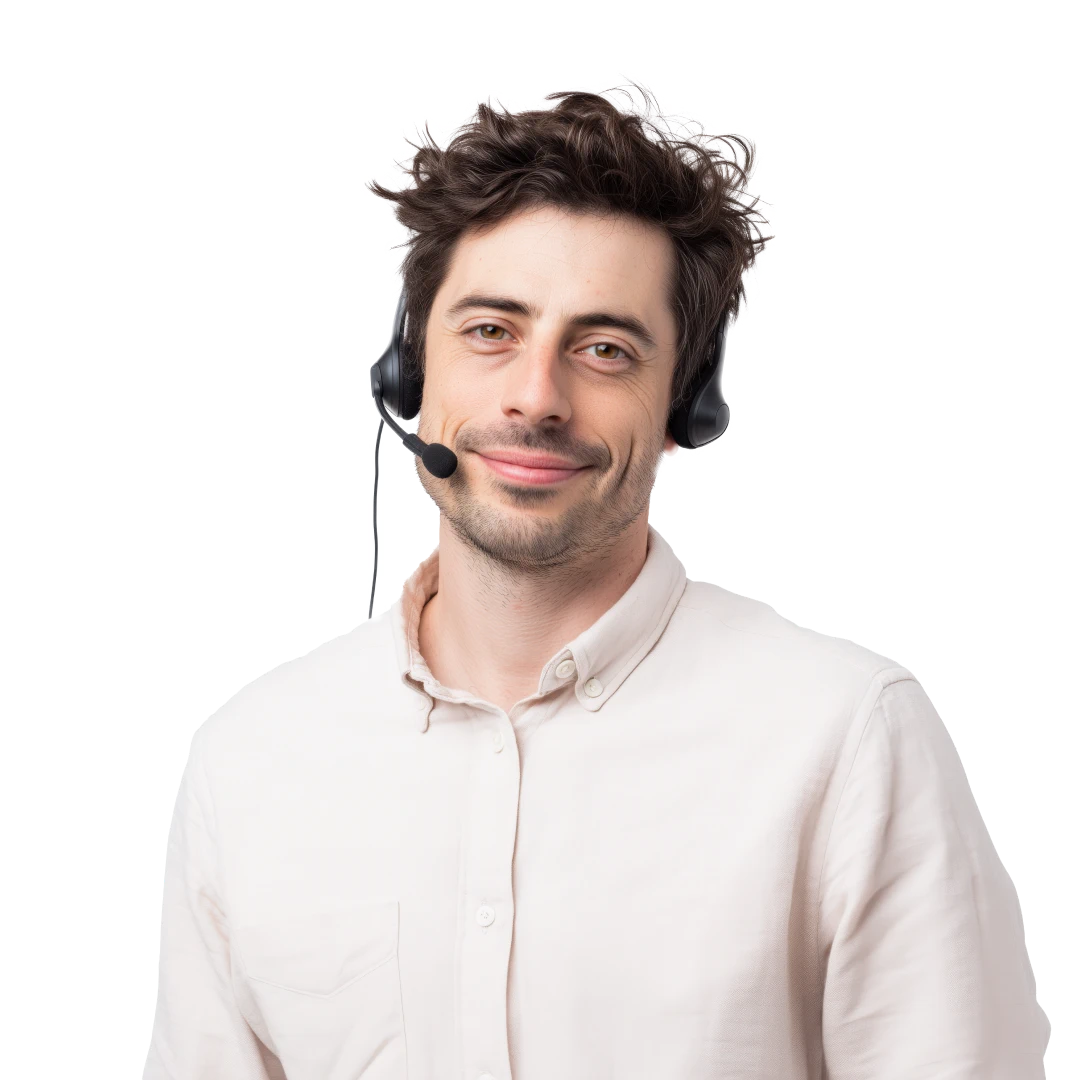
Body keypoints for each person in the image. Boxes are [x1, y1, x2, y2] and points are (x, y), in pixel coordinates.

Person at [145, 83, 1049, 1079]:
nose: (536, 398)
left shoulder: (846, 739)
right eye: (491, 331)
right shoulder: (252, 757)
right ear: (408, 376)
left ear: (685, 407)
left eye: (605, 349)